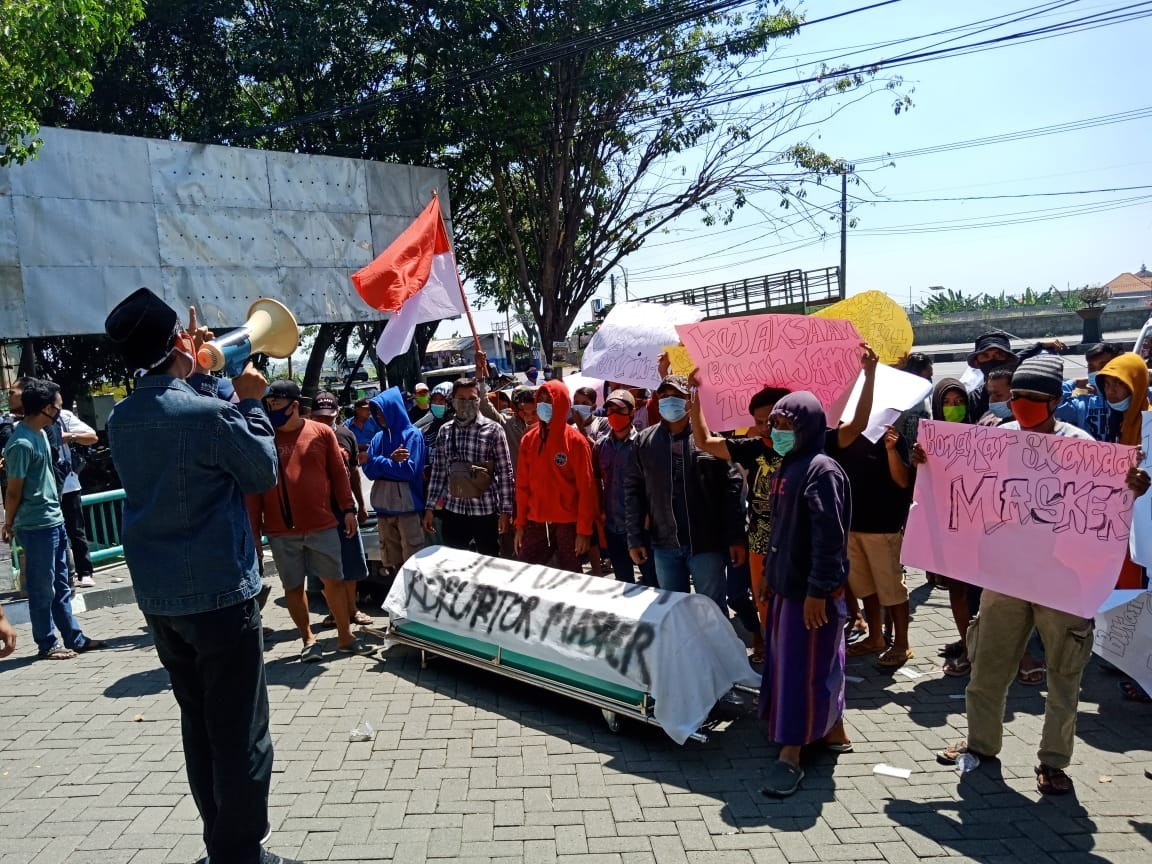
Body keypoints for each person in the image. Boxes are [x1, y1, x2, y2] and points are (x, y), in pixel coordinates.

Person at [104, 288, 298, 864]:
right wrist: (252, 399)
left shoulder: (121, 417)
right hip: (219, 595)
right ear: (177, 348)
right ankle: (240, 854)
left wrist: (200, 372)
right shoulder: (211, 414)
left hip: (161, 599)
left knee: (199, 724)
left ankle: (220, 841)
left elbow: (189, 426)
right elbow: (261, 469)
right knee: (242, 732)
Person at [935, 354, 1103, 796]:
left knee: (1064, 675)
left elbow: (1104, 503)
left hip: (1060, 583)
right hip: (1005, 578)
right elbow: (958, 482)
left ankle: (1053, 762)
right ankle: (981, 744)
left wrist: (1131, 485)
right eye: (1018, 398)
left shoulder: (1081, 447)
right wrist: (928, 461)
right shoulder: (998, 441)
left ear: (1055, 401)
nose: (1023, 405)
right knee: (987, 667)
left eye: (1033, 399)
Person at [757, 392, 852, 798]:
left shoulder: (821, 470)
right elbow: (781, 531)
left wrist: (817, 591)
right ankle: (832, 730)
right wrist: (770, 578)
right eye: (774, 425)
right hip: (786, 586)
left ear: (807, 426)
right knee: (794, 663)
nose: (776, 432)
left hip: (809, 594)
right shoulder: (790, 465)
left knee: (804, 668)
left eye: (784, 426)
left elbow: (829, 540)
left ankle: (792, 751)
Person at [248, 380, 372, 660]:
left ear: (294, 405)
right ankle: (308, 639)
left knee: (335, 582)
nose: (271, 408)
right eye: (269, 404)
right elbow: (253, 490)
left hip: (323, 524)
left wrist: (349, 509)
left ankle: (345, 636)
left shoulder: (321, 433)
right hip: (280, 531)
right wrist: (254, 532)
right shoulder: (262, 438)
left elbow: (340, 474)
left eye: (277, 403)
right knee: (293, 586)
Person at [624, 374, 745, 610]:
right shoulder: (644, 442)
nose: (669, 401)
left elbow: (732, 491)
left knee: (711, 611)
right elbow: (633, 492)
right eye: (664, 396)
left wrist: (736, 537)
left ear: (689, 400)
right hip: (664, 544)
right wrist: (634, 538)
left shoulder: (709, 440)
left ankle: (715, 649)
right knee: (673, 612)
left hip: (706, 545)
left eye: (676, 396)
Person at [2, 378, 103, 660]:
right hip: (35, 525)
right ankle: (47, 643)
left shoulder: (43, 435)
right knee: (41, 587)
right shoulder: (20, 443)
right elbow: (13, 491)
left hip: (53, 520)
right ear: (46, 408)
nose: (61, 411)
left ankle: (74, 637)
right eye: (58, 407)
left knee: (61, 584)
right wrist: (9, 524)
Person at [689, 382, 790, 658]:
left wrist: (868, 375)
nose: (766, 428)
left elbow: (854, 428)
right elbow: (704, 442)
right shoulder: (752, 447)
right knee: (764, 605)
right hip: (758, 542)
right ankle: (773, 659)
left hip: (794, 546)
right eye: (759, 422)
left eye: (773, 421)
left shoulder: (810, 451)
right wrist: (695, 401)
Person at [424, 377, 515, 556]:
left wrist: (506, 511)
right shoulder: (445, 431)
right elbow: (438, 473)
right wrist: (430, 508)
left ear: (479, 399)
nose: (467, 403)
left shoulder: (494, 430)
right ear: (453, 401)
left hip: (485, 511)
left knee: (488, 563)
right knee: (455, 564)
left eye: (472, 398)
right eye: (461, 399)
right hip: (454, 510)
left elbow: (505, 473)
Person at [514, 379, 597, 572]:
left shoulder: (576, 441)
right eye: (540, 400)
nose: (543, 405)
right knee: (524, 574)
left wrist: (584, 531)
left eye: (549, 400)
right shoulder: (529, 440)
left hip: (567, 524)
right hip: (536, 522)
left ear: (560, 403)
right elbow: (522, 486)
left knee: (571, 578)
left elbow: (587, 489)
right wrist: (520, 524)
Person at [307, 391, 374, 628]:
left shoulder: (346, 435)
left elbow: (354, 473)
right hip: (317, 513)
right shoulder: (304, 437)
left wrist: (360, 505)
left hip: (344, 510)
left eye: (329, 417)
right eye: (319, 417)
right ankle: (336, 611)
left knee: (351, 562)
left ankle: (352, 610)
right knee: (325, 565)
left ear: (337, 414)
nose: (324, 421)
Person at [924, 378, 976, 676]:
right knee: (958, 590)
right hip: (950, 528)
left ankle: (1007, 654)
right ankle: (969, 650)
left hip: (981, 528)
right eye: (947, 403)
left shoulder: (984, 433)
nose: (954, 409)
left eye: (960, 403)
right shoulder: (929, 442)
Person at [593, 389, 657, 586]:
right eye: (609, 410)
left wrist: (648, 520)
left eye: (619, 410)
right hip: (613, 526)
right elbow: (596, 481)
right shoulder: (600, 446)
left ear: (631, 412)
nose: (614, 415)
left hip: (641, 529)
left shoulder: (644, 445)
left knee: (652, 583)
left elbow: (654, 487)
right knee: (622, 583)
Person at [362, 388, 427, 573]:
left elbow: (407, 471)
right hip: (383, 511)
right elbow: (368, 471)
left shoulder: (412, 435)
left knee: (414, 565)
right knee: (393, 564)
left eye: (382, 411)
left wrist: (378, 462)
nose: (379, 416)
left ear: (394, 408)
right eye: (376, 412)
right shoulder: (377, 438)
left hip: (408, 510)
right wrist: (390, 460)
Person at [54, 394, 99, 588]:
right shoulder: (21, 423)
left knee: (76, 530)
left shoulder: (63, 417)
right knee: (53, 534)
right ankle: (63, 575)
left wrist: (69, 436)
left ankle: (85, 572)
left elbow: (92, 437)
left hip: (68, 485)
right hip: (42, 487)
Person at [1056, 342, 1121, 441]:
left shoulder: (1126, 399)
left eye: (1104, 367)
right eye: (1091, 368)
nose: (1097, 372)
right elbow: (1054, 404)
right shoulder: (1082, 404)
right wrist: (1074, 382)